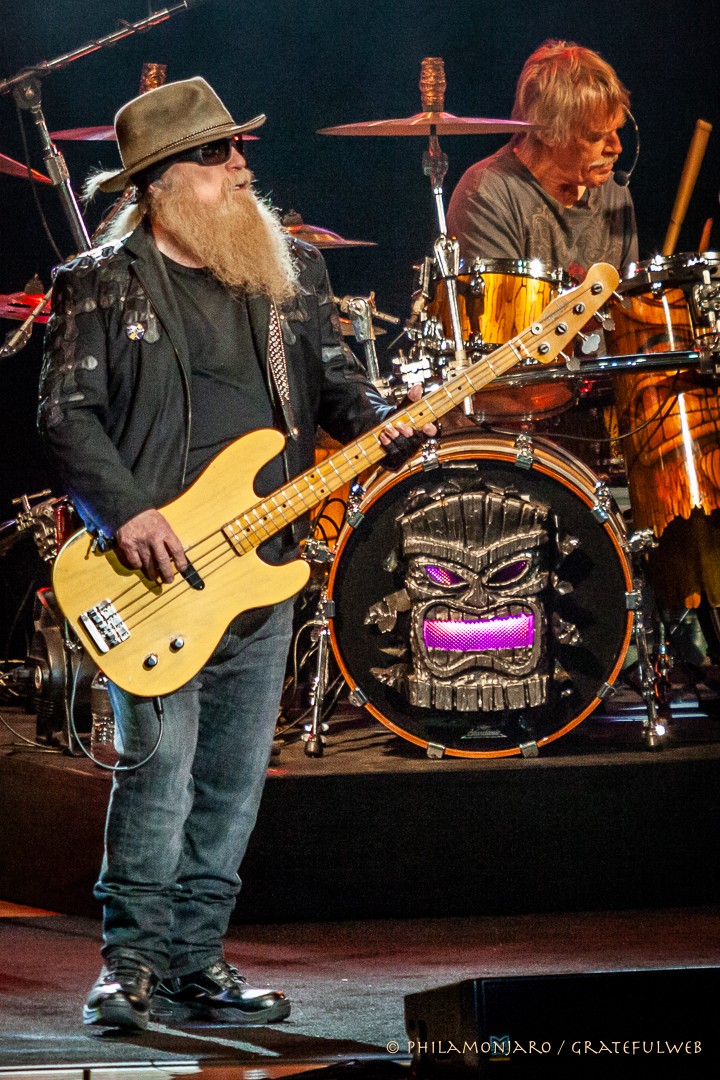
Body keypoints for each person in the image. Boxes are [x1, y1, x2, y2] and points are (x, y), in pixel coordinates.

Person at [39, 76, 434, 1032]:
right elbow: (65, 415)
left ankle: (195, 966)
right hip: (153, 574)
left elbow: (336, 383)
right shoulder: (101, 281)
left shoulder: (286, 269)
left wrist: (388, 421)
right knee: (158, 770)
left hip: (262, 570)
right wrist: (127, 513)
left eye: (239, 149)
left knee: (229, 782)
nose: (240, 165)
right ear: (163, 182)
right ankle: (128, 969)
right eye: (217, 155)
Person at [446, 39, 639, 279]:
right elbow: (505, 316)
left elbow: (629, 305)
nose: (617, 147)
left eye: (617, 130)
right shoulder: (487, 195)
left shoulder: (615, 194)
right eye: (595, 137)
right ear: (546, 132)